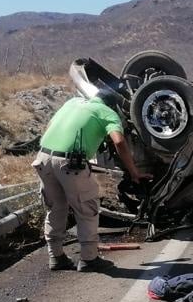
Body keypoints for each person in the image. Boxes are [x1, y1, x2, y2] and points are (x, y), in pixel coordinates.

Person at [32, 89, 149, 272]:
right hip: (70, 164)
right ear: (112, 105)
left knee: (55, 208)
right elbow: (118, 141)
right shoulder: (107, 113)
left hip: (43, 158)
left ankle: (56, 257)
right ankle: (89, 259)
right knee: (87, 208)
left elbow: (50, 126)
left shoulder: (72, 103)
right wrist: (133, 171)